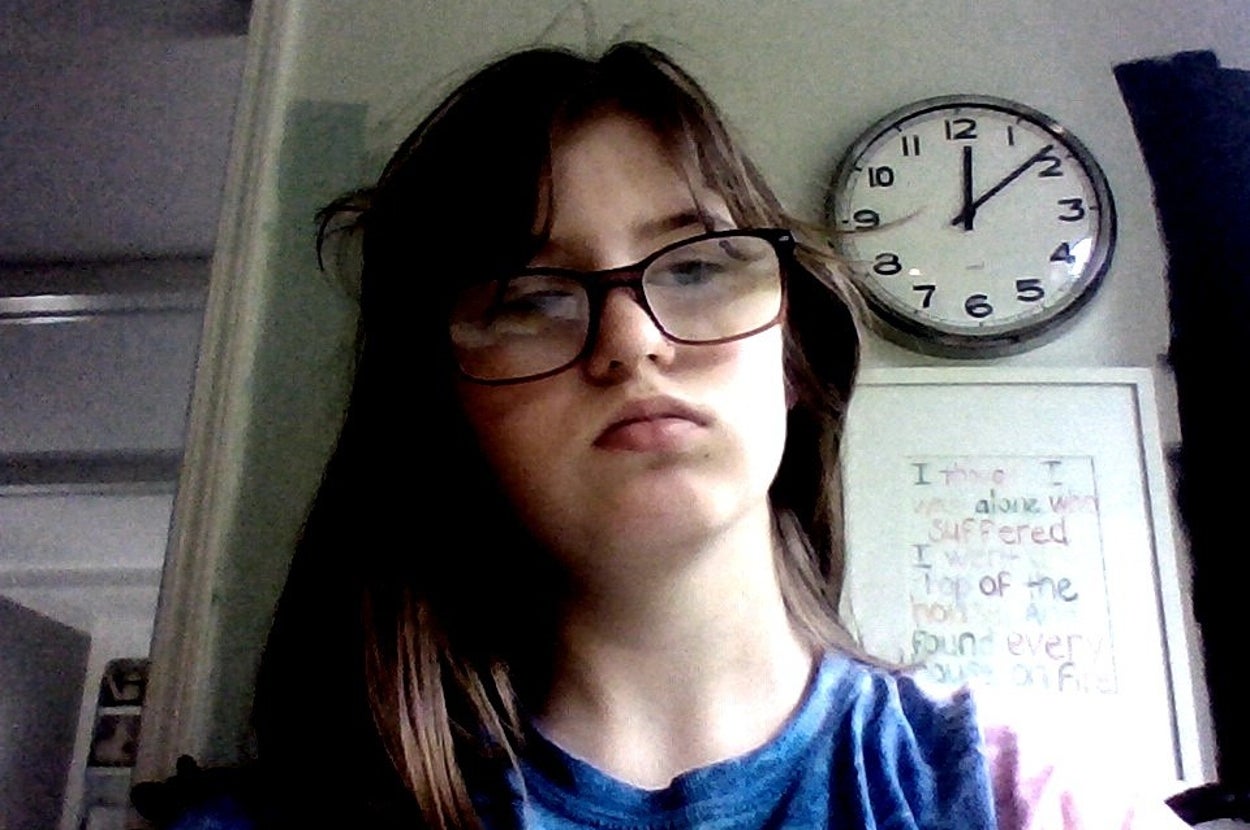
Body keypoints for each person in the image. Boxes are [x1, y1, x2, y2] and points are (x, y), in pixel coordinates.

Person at [162, 41, 1187, 830]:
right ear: (444, 408)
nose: (632, 341)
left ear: (792, 355)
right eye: (530, 296)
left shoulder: (1034, 798)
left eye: (695, 268)